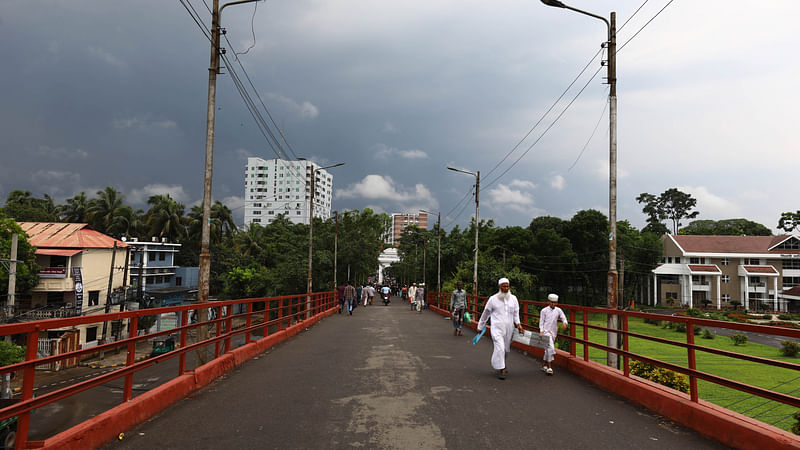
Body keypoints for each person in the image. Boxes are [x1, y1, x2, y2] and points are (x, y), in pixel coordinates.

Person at [476, 278, 524, 380]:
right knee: (500, 348)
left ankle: (498, 363)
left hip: (509, 329)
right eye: (504, 286)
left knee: (506, 350)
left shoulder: (514, 299)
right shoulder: (493, 299)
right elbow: (485, 314)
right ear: (499, 287)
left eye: (507, 286)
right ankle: (502, 369)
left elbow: (516, 314)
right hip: (496, 329)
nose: (506, 288)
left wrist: (519, 325)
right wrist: (480, 326)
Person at [539, 293, 568, 375]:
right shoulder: (544, 311)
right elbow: (541, 322)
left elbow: (563, 317)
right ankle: (549, 367)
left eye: (555, 302)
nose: (553, 304)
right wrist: (541, 331)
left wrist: (565, 323)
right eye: (552, 302)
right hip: (545, 332)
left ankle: (543, 365)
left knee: (547, 350)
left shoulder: (558, 310)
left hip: (553, 332)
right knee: (551, 348)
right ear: (548, 302)